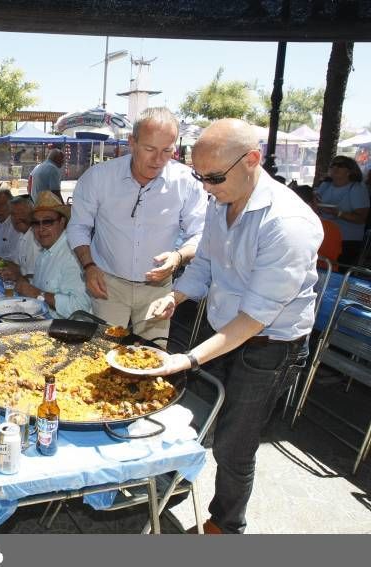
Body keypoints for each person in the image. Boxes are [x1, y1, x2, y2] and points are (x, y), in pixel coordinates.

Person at [147, 118, 322, 535]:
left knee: (235, 444)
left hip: (268, 344)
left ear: (253, 160)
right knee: (193, 418)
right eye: (198, 175)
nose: (205, 186)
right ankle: (169, 486)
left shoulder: (287, 224)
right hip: (223, 328)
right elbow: (205, 263)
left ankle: (226, 527)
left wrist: (187, 359)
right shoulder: (219, 199)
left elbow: (253, 320)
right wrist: (175, 297)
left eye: (213, 177)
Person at [67, 107, 207, 341]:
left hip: (158, 288)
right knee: (104, 354)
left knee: (151, 357)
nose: (158, 160)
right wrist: (89, 266)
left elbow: (200, 233)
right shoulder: (98, 177)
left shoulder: (187, 182)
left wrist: (178, 257)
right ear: (132, 142)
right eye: (150, 149)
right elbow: (78, 227)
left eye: (167, 151)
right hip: (107, 284)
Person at [14, 192, 91, 318]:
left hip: (68, 330)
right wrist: (25, 280)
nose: (41, 228)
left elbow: (80, 308)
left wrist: (37, 294)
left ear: (62, 222)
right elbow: (45, 284)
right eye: (36, 223)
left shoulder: (72, 255)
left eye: (48, 222)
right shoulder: (46, 250)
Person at [314, 155, 368, 266]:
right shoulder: (325, 185)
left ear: (350, 171)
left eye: (341, 165)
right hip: (323, 236)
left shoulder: (356, 188)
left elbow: (361, 218)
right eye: (333, 165)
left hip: (346, 241)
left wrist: (337, 213)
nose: (335, 167)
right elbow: (316, 204)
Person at [292, 184, 342, 269]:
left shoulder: (283, 226)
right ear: (314, 203)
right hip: (326, 274)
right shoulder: (330, 228)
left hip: (294, 272)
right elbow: (334, 255)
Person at [1, 196, 41, 281]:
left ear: (32, 214)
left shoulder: (35, 238)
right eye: (13, 214)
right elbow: (16, 265)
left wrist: (16, 277)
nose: (17, 218)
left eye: (22, 213)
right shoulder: (22, 235)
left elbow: (33, 277)